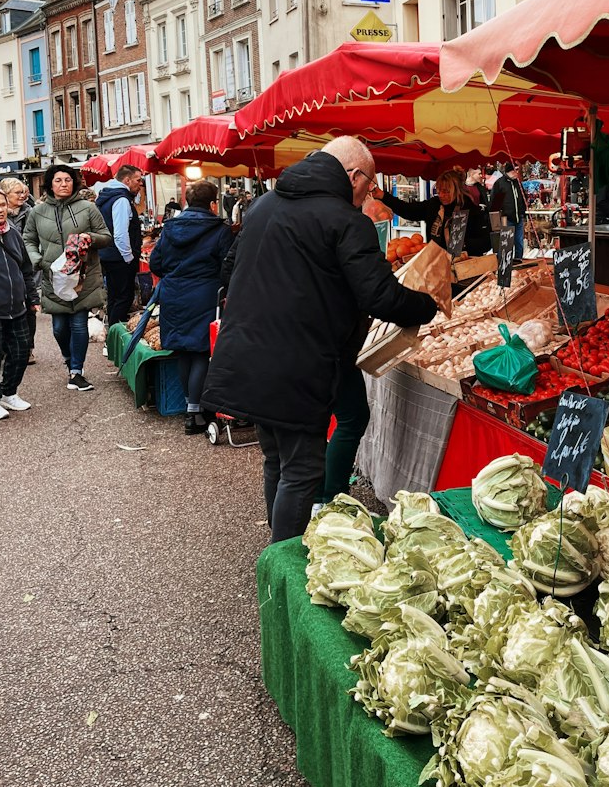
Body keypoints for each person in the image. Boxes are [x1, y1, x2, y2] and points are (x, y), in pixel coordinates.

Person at [202, 137, 437, 542]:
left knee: (276, 458)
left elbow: (228, 270)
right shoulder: (346, 221)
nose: (368, 194)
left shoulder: (263, 206)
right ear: (353, 175)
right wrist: (428, 306)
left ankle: (276, 558)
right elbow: (379, 295)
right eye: (369, 183)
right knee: (303, 469)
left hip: (247, 353)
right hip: (297, 361)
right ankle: (285, 565)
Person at [148, 180, 233, 434]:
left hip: (174, 294)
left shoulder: (170, 228)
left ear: (186, 200)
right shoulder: (219, 229)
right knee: (200, 351)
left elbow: (156, 263)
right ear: (212, 203)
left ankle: (189, 406)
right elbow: (227, 265)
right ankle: (195, 413)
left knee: (183, 351)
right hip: (204, 294)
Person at [22, 163, 112, 392]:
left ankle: (76, 371)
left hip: (84, 276)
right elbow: (28, 239)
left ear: (74, 183)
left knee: (79, 325)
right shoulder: (37, 212)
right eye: (58, 180)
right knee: (59, 328)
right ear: (50, 185)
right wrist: (38, 260)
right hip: (54, 276)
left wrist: (89, 238)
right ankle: (68, 357)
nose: (64, 184)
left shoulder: (88, 208)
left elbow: (106, 237)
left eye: (68, 180)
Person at [0, 186, 36, 419]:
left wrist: (32, 297)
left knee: (20, 352)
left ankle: (9, 393)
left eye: (2, 205)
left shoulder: (13, 233)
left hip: (17, 307)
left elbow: (26, 269)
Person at [379, 170, 487, 256]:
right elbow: (408, 210)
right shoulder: (434, 205)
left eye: (446, 191)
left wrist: (464, 244)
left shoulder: (470, 209)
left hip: (464, 265)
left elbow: (485, 242)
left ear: (456, 190)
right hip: (435, 261)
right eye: (439, 191)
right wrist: (383, 196)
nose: (441, 195)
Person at [96, 164, 145, 326]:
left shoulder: (107, 196)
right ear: (127, 180)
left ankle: (111, 337)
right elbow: (120, 233)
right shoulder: (121, 200)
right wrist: (128, 257)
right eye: (138, 180)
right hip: (119, 257)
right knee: (123, 297)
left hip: (108, 254)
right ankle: (115, 337)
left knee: (114, 297)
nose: (141, 184)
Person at [0, 177, 38, 362]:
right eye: (17, 193)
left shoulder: (31, 212)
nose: (22, 196)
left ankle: (27, 347)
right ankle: (6, 347)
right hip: (3, 267)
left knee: (29, 307)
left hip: (25, 263)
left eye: (23, 192)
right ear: (6, 196)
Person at [490, 160, 527, 260]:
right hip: (506, 219)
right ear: (510, 171)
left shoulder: (518, 183)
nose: (517, 173)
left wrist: (523, 213)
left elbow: (523, 198)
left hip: (518, 217)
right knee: (506, 242)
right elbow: (495, 204)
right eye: (516, 170)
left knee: (519, 242)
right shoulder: (500, 184)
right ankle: (505, 262)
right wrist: (499, 218)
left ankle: (518, 260)